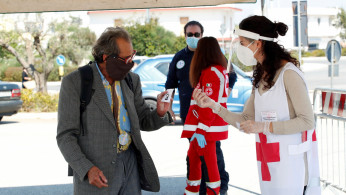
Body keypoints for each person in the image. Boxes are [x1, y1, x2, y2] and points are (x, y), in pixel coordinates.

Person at [193, 16, 321, 195]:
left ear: (258, 43)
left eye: (242, 43)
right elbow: (245, 120)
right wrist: (214, 106)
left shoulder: (289, 74)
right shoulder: (261, 75)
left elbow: (307, 121)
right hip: (269, 161)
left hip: (293, 165)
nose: (240, 48)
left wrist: (264, 126)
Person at [57, 27, 173, 195]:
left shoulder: (132, 81)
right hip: (97, 172)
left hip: (130, 165)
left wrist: (160, 113)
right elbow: (65, 136)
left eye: (131, 57)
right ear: (106, 57)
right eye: (125, 59)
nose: (130, 64)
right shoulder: (75, 82)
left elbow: (142, 120)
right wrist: (87, 169)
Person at [165, 21, 233, 195]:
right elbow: (170, 85)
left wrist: (221, 97)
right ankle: (197, 188)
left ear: (202, 36)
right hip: (191, 115)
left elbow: (229, 76)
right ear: (185, 35)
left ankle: (218, 188)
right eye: (190, 34)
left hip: (208, 118)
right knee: (194, 154)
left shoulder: (212, 58)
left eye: (196, 35)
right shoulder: (179, 57)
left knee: (212, 154)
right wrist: (168, 106)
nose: (193, 37)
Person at [181, 36, 229, 195]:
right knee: (195, 158)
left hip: (206, 127)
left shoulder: (211, 72)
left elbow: (209, 104)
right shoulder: (218, 69)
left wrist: (201, 129)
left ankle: (210, 192)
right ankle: (192, 191)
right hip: (206, 126)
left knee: (208, 162)